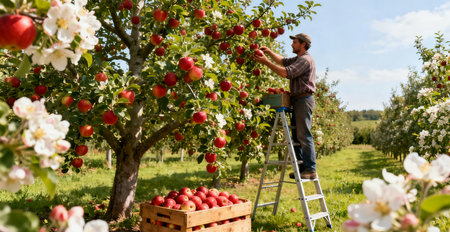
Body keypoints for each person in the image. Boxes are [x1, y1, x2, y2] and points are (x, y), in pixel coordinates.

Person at [253, 33, 317, 179]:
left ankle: (311, 169)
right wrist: (269, 52)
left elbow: (285, 72)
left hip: (303, 100)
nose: (292, 44)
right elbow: (283, 61)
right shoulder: (298, 58)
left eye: (295, 42)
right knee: (297, 136)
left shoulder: (305, 60)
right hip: (297, 100)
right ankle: (302, 170)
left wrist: (266, 62)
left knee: (303, 135)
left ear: (303, 44)